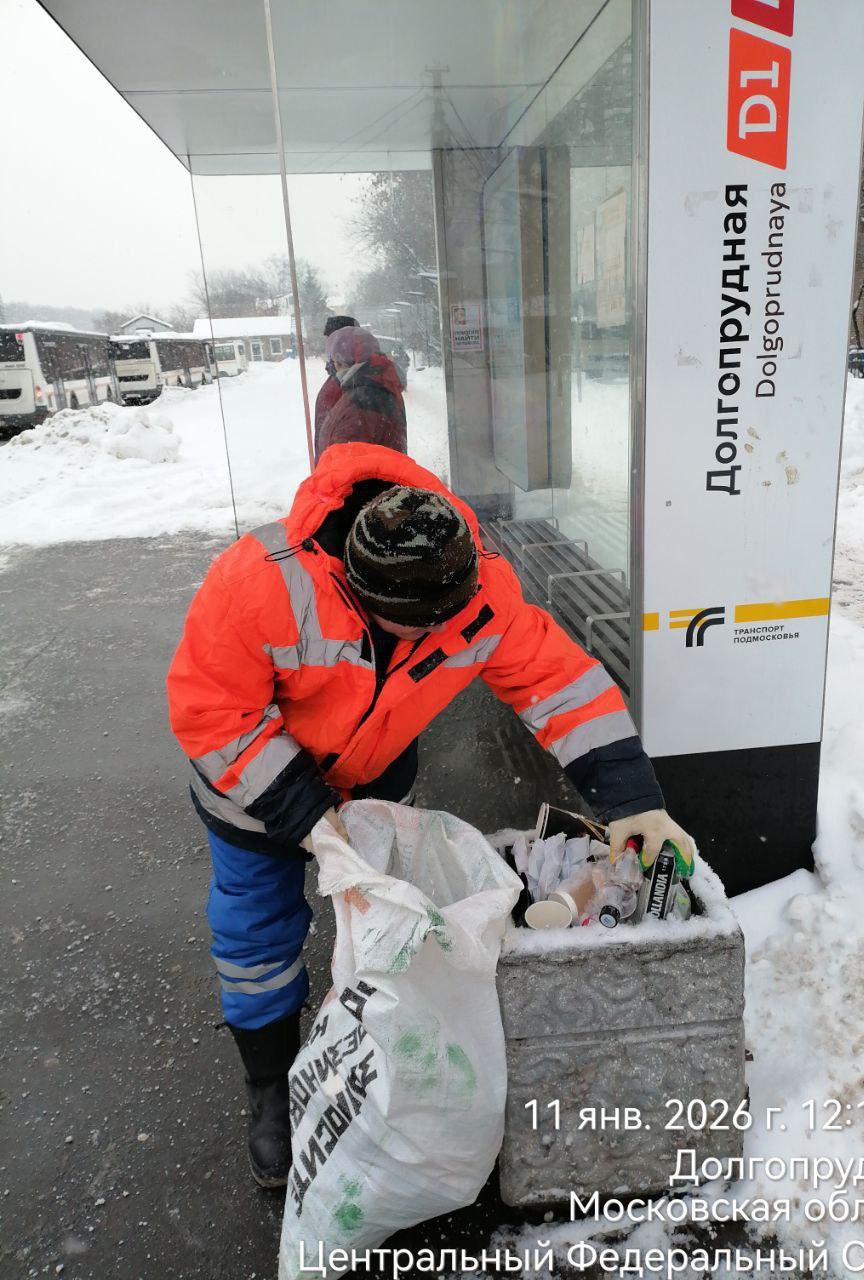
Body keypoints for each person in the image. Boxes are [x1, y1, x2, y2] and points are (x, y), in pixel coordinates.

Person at [166, 441, 694, 1187]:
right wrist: (311, 819)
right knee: (257, 940)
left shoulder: (479, 591)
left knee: (389, 926)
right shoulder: (258, 581)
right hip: (254, 796)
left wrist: (636, 802)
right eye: (413, 628)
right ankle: (271, 1085)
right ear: (359, 590)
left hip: (377, 788)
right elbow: (212, 712)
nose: (431, 640)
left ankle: (382, 1050)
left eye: (442, 627)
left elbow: (561, 684)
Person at [315, 325, 406, 458]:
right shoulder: (373, 386)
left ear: (344, 361)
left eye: (336, 360)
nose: (334, 366)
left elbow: (350, 465)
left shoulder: (363, 399)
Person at [312, 314, 356, 458]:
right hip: (330, 468)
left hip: (339, 470)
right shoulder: (338, 378)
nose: (328, 349)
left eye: (331, 342)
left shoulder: (351, 382)